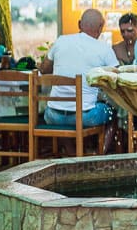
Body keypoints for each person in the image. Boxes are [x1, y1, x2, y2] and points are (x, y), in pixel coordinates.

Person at [38, 9, 120, 150]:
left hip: (53, 115)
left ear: (79, 24)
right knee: (113, 113)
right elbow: (117, 78)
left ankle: (71, 153)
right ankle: (99, 155)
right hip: (85, 117)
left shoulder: (61, 41)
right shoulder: (104, 49)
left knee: (63, 121)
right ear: (100, 28)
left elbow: (44, 69)